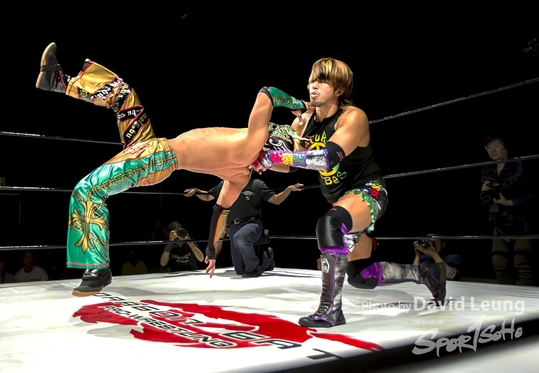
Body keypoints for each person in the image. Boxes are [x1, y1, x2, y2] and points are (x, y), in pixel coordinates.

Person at [35, 42, 307, 296]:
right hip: (152, 147)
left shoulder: (252, 144)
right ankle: (59, 82)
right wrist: (211, 251)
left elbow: (268, 93)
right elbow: (219, 211)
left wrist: (299, 105)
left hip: (158, 156)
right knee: (124, 96)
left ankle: (98, 269)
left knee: (88, 189)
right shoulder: (240, 176)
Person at [254, 57, 447, 328]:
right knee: (361, 276)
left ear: (339, 89)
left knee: (329, 224)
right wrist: (262, 159)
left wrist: (279, 158)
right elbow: (291, 166)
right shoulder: (302, 124)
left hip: (370, 192)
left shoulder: (353, 117)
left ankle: (330, 310)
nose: (314, 86)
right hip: (341, 201)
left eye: (322, 81)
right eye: (312, 80)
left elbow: (326, 159)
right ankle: (426, 273)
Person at [184, 175, 303, 277]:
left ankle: (254, 268)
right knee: (239, 270)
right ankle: (265, 260)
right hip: (233, 226)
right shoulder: (226, 184)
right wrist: (197, 191)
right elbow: (208, 196)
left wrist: (288, 189)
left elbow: (276, 199)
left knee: (240, 237)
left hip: (251, 223)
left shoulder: (257, 184)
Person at [480, 131, 536, 286]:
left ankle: (527, 299)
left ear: (506, 146)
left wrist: (510, 202)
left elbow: (533, 193)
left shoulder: (520, 166)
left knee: (522, 262)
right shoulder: (486, 170)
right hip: (499, 221)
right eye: (488, 146)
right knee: (499, 263)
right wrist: (484, 193)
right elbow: (485, 201)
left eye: (497, 145)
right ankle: (507, 297)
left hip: (522, 220)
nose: (492, 150)